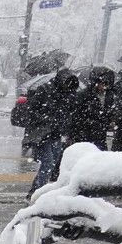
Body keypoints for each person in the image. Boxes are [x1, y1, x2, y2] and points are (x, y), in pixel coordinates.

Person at [26, 68, 80, 196]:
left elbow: (69, 113)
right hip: (41, 133)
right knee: (48, 163)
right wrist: (47, 119)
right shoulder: (44, 90)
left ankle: (35, 191)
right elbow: (31, 111)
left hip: (55, 133)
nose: (68, 87)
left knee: (53, 162)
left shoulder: (68, 94)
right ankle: (37, 193)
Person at [69, 68, 114, 149]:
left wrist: (109, 121)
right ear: (95, 83)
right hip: (85, 133)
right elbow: (76, 115)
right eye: (101, 84)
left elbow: (109, 112)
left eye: (106, 84)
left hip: (100, 133)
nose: (103, 87)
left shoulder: (109, 95)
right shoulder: (84, 95)